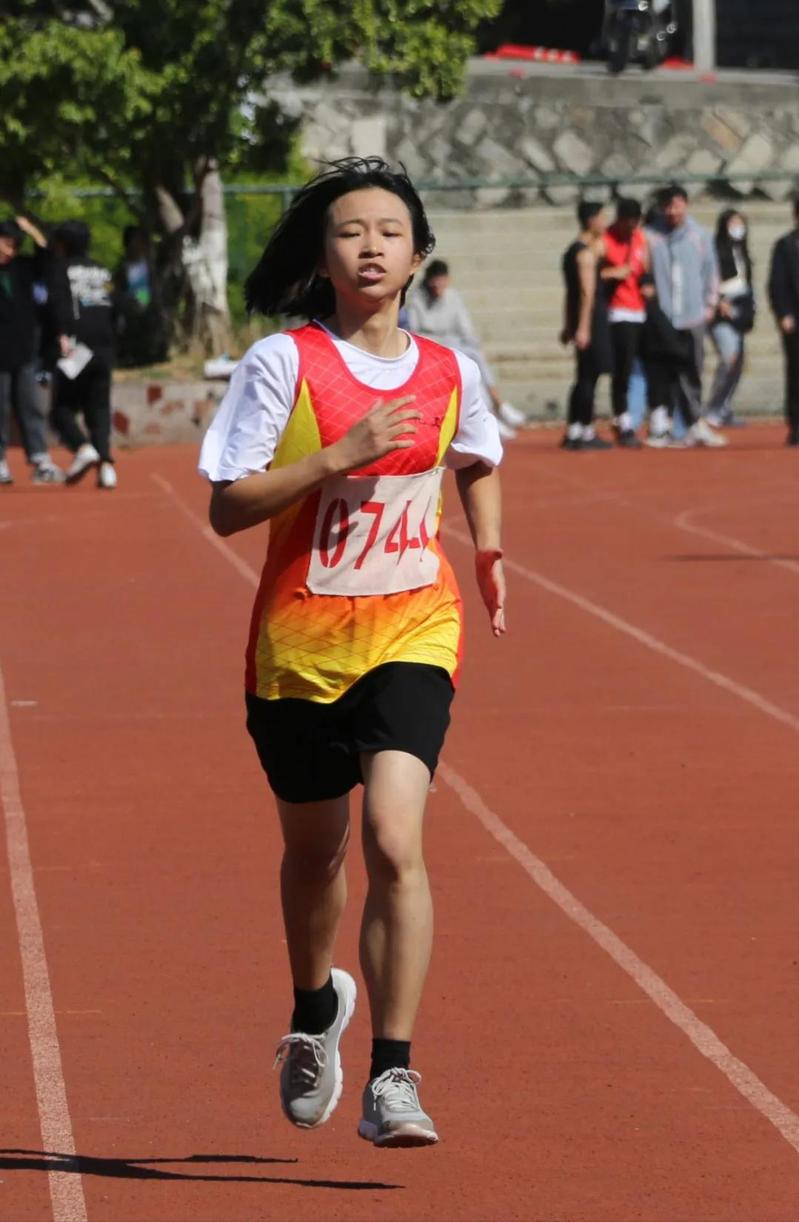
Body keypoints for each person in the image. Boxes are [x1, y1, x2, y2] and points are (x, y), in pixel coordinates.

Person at [198, 157, 505, 1148]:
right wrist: (338, 454)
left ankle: (394, 1075)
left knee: (393, 840)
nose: (370, 246)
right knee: (313, 852)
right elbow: (227, 507)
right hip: (299, 645)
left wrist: (487, 547)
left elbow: (478, 456)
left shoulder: (451, 370)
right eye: (349, 231)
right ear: (323, 256)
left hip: (414, 626)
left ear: (417, 256)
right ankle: (313, 1006)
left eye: (388, 231)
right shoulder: (281, 363)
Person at [645, 184, 726, 448]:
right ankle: (663, 425)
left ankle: (693, 423)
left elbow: (711, 271)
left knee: (693, 370)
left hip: (693, 315)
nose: (672, 212)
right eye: (667, 206)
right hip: (664, 316)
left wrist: (709, 305)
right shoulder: (651, 236)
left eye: (677, 205)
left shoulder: (699, 236)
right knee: (663, 372)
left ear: (686, 205)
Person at [406, 259, 524, 440]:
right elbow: (415, 332)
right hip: (433, 347)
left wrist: (474, 343)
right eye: (435, 282)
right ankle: (493, 414)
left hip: (455, 344)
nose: (438, 287)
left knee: (475, 360)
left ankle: (497, 408)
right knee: (470, 365)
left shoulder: (453, 296)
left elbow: (465, 328)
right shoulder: (417, 299)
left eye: (442, 282)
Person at [49, 220, 118, 488]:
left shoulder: (61, 269)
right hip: (105, 346)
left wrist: (62, 334)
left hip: (78, 347)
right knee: (99, 408)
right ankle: (106, 466)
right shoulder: (102, 270)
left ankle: (82, 447)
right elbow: (113, 303)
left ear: (63, 244)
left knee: (61, 409)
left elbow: (59, 304)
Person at [0, 217, 66, 486]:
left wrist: (30, 230)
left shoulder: (23, 267)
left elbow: (48, 258)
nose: (10, 250)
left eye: (15, 245)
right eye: (6, 243)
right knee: (0, 407)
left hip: (25, 348)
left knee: (31, 405)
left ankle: (40, 458)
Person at [558, 200, 613, 451]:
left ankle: (575, 428)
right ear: (591, 220)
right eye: (602, 217)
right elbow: (586, 293)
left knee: (583, 375)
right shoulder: (585, 255)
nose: (605, 223)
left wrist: (568, 324)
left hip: (581, 318)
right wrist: (583, 328)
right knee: (590, 375)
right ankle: (585, 429)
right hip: (592, 319)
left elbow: (570, 294)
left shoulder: (572, 251)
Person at [602, 197, 648, 447]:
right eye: (628, 223)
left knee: (644, 365)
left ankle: (644, 416)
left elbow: (644, 268)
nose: (631, 228)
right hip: (618, 311)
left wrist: (647, 285)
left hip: (639, 309)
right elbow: (593, 273)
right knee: (623, 368)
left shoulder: (639, 238)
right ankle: (623, 418)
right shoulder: (606, 239)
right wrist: (613, 273)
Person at [706, 210, 754, 428]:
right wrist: (717, 301)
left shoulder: (742, 252)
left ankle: (722, 406)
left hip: (740, 309)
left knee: (738, 362)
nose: (737, 227)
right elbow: (708, 277)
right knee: (730, 357)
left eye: (740, 223)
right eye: (732, 223)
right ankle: (712, 407)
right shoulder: (716, 250)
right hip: (721, 310)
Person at [767, 197, 799, 447]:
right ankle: (796, 425)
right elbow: (777, 283)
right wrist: (784, 313)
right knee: (796, 373)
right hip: (795, 320)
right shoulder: (785, 245)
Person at [114, 225, 169, 367]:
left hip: (148, 311)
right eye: (136, 241)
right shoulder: (124, 267)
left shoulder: (149, 267)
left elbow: (151, 294)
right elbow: (117, 292)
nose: (139, 246)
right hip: (130, 311)